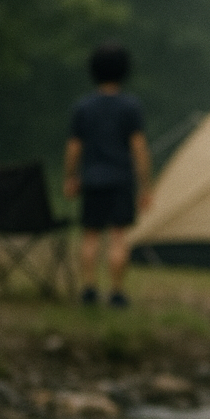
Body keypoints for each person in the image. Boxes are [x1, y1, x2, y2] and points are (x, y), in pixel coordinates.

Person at [64, 41, 152, 307]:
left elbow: (73, 147)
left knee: (90, 235)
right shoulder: (130, 107)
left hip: (91, 178)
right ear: (125, 71)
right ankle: (116, 292)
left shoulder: (83, 107)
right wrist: (145, 185)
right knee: (118, 236)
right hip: (120, 180)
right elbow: (139, 149)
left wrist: (71, 177)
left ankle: (89, 288)